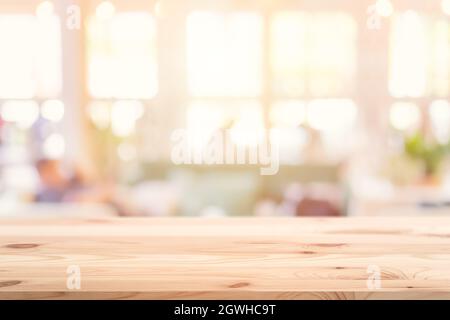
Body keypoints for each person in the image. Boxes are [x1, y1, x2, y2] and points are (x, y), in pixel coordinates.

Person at [34, 158, 140, 216]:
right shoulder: (46, 194)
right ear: (44, 174)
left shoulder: (69, 183)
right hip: (96, 206)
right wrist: (102, 194)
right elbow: (72, 201)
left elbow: (89, 184)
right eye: (55, 169)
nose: (59, 173)